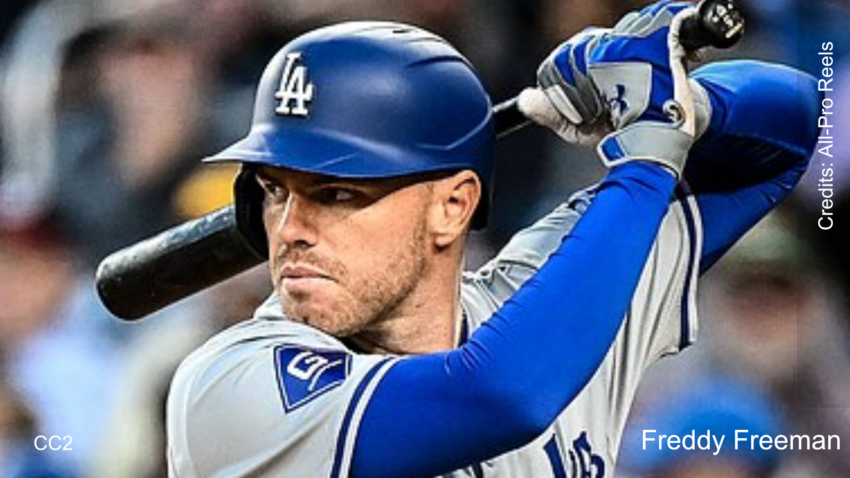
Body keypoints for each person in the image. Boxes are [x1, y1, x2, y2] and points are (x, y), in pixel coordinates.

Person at [165, 2, 821, 477]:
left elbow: (793, 126)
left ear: (452, 207)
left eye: (337, 194)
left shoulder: (552, 296)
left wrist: (681, 105)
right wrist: (650, 155)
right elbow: (500, 395)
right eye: (275, 190)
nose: (290, 230)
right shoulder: (233, 383)